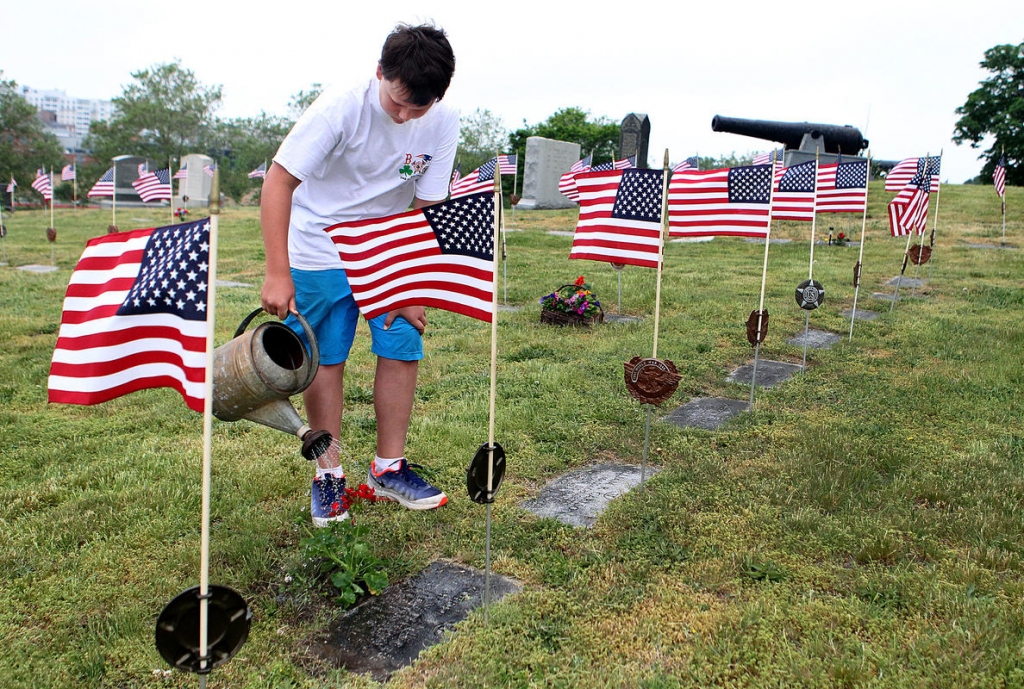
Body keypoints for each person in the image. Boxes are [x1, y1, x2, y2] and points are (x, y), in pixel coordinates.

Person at [259, 23, 458, 526]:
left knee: (401, 345)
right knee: (324, 359)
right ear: (379, 73)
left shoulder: (442, 119)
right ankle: (328, 475)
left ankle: (388, 469)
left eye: (420, 107)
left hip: (389, 247)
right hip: (321, 244)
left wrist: (419, 280)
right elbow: (279, 182)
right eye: (398, 102)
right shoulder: (339, 108)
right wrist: (278, 272)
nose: (406, 115)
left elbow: (430, 203)